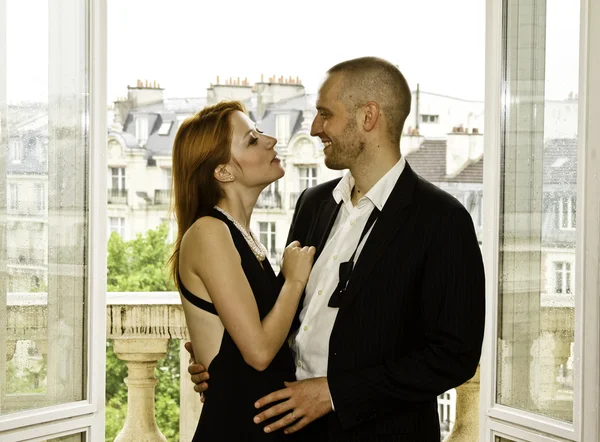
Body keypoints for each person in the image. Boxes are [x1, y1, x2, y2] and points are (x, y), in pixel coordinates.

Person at [188, 57, 486, 441]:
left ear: (368, 117)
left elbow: (454, 356)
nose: (314, 128)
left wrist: (334, 394)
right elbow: (282, 316)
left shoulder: (444, 220)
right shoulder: (312, 203)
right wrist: (221, 364)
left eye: (325, 114)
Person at [171, 100, 316, 441]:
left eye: (260, 132)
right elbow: (260, 352)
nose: (271, 141)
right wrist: (293, 280)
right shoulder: (210, 232)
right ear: (223, 171)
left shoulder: (243, 236)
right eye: (252, 139)